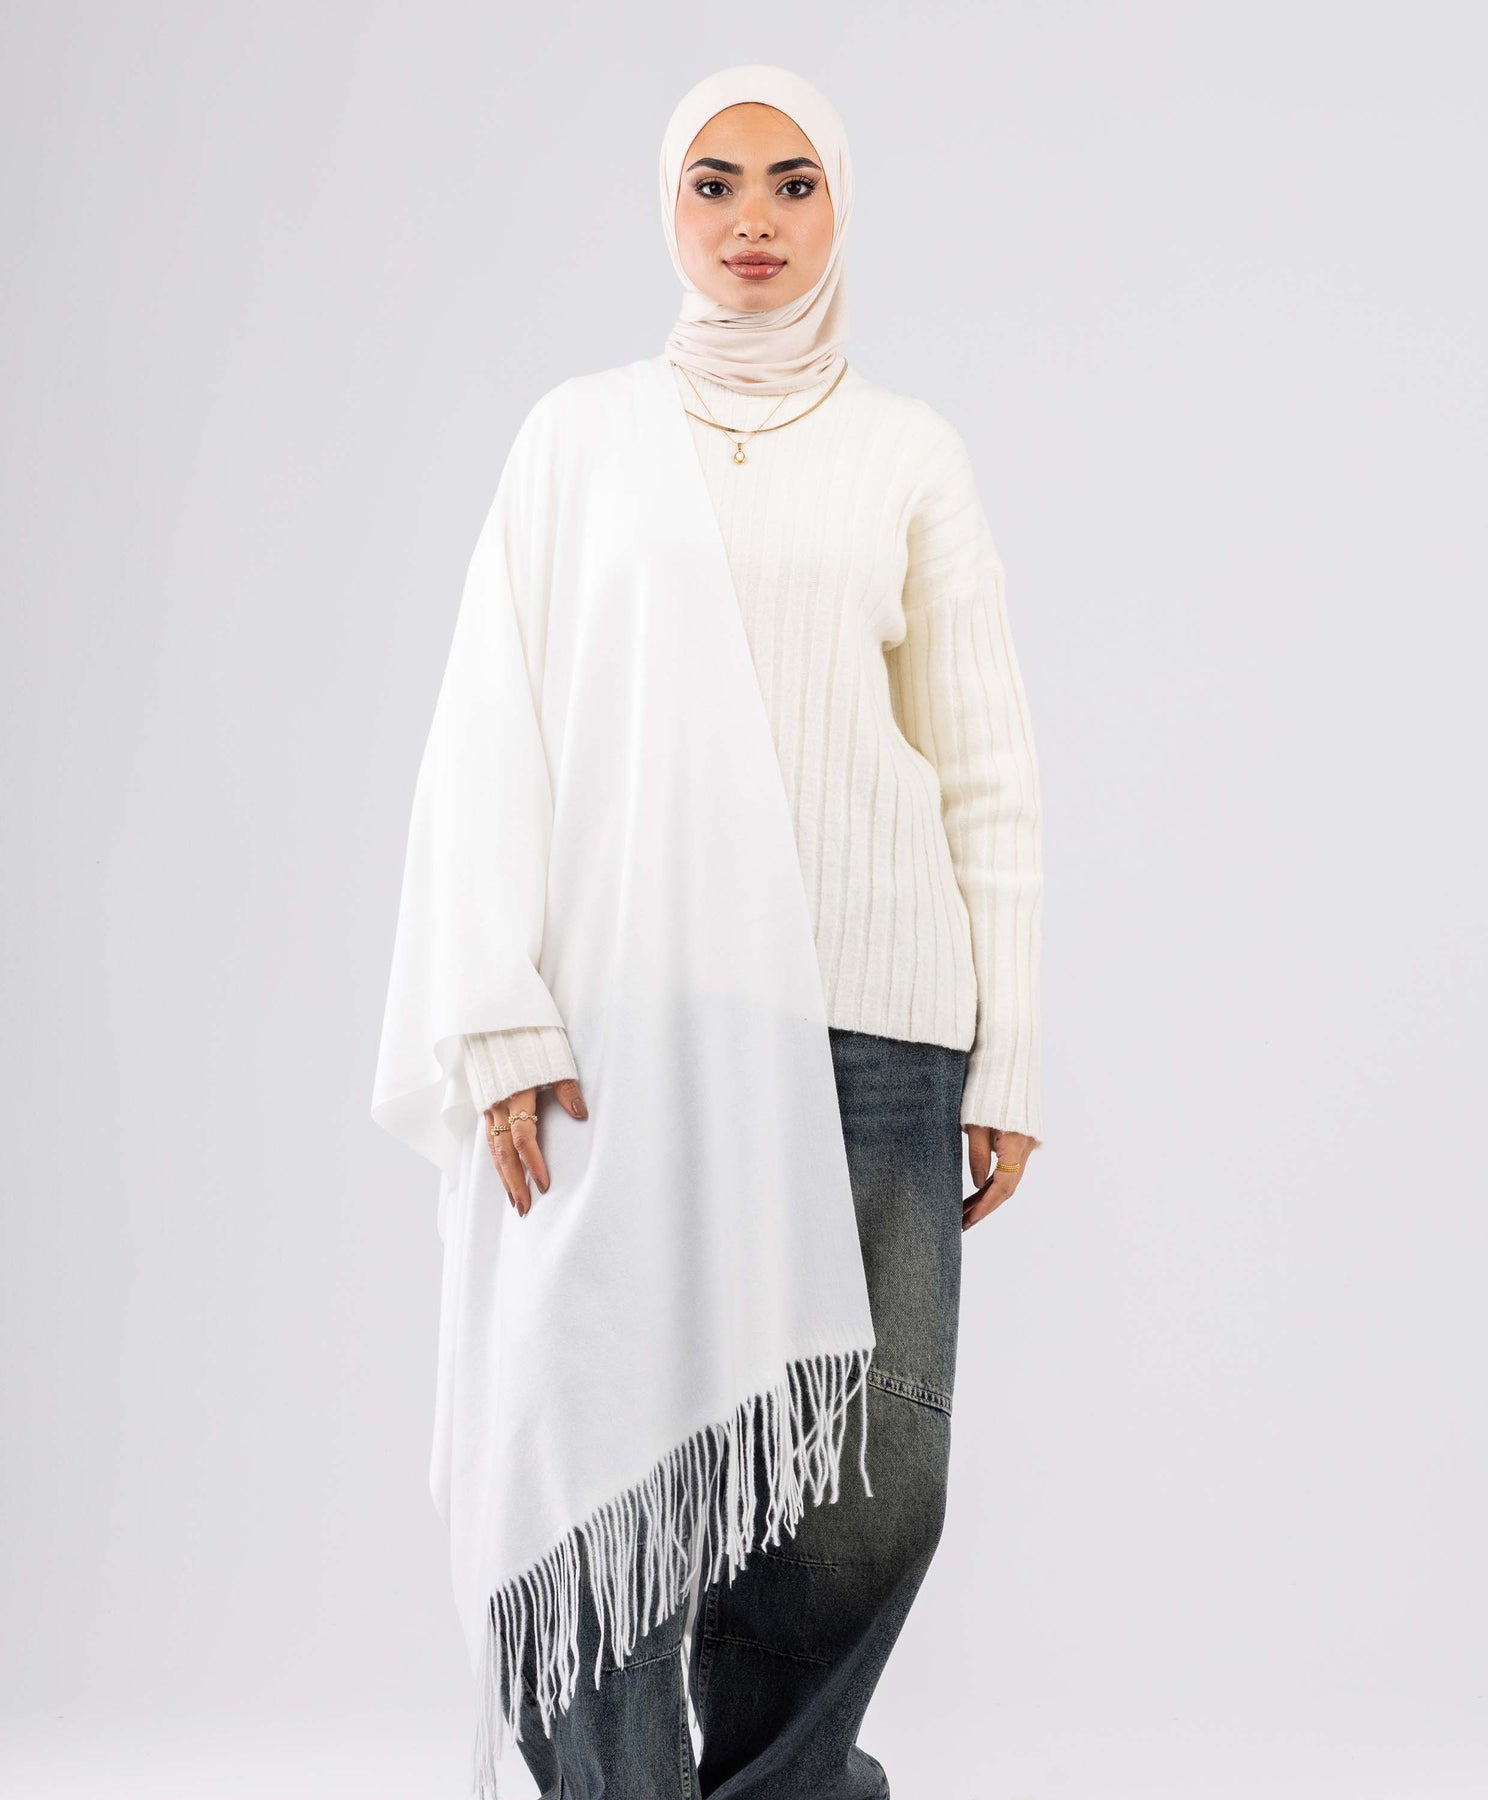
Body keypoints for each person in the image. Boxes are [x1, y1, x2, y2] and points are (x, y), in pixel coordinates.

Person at [374, 62, 1043, 1800]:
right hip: (639, 1024)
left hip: (879, 1028)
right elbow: (491, 733)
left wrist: (1013, 1049)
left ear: (840, 206)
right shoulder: (578, 440)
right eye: (717, 182)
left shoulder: (908, 453)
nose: (755, 219)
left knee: (869, 1486)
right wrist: (495, 1011)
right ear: (668, 209)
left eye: (793, 183)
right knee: (602, 1453)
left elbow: (984, 771)